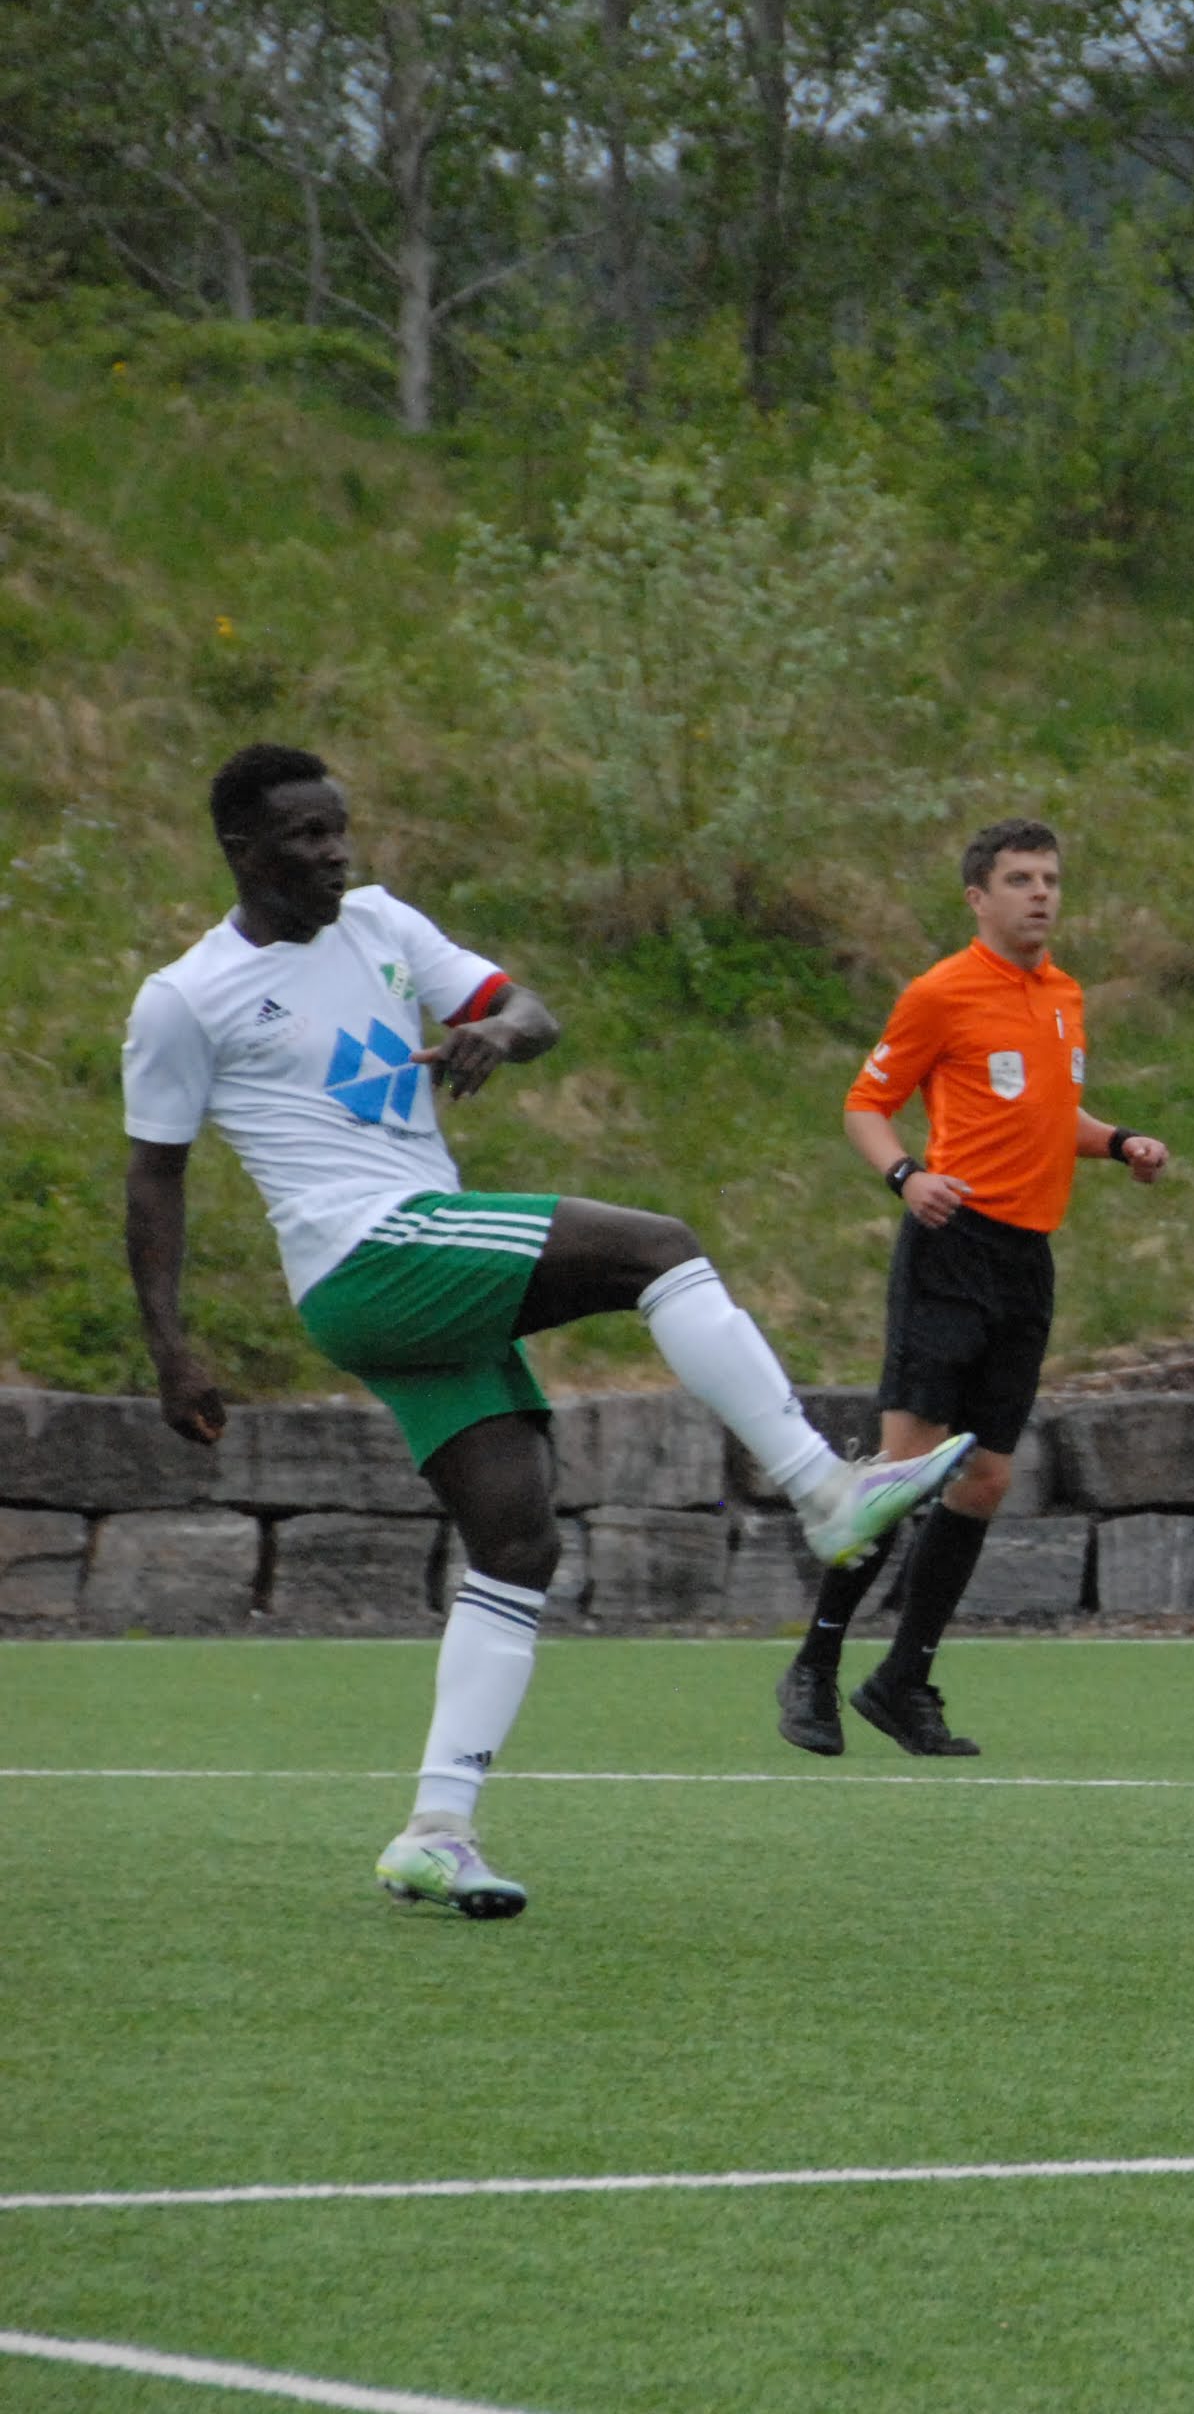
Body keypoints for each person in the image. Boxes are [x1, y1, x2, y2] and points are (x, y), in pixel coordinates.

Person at [119, 746, 967, 1919]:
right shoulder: (185, 996)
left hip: (414, 1252)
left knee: (516, 1543)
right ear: (241, 850)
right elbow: (153, 1176)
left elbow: (531, 1011)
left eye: (340, 829)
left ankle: (436, 1831)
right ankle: (823, 1490)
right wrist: (171, 1350)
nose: (335, 853)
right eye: (307, 836)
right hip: (367, 1255)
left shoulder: (381, 923)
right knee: (657, 1248)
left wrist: (498, 1037)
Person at [778, 819, 1172, 1761]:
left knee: (986, 1479)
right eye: (1021, 879)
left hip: (1027, 1260)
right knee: (901, 1474)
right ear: (978, 898)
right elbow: (865, 1104)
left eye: (1051, 879)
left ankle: (901, 1680)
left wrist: (1119, 1142)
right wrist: (906, 1176)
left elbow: (1049, 1112)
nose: (1041, 894)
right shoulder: (940, 992)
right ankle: (814, 1666)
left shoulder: (1064, 995)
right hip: (950, 1250)